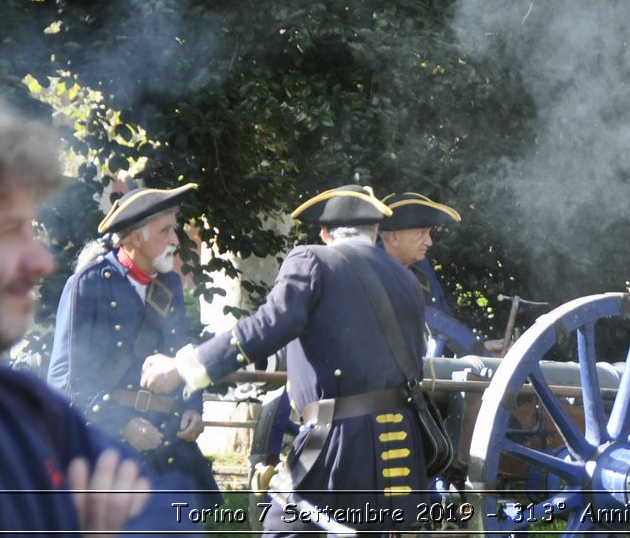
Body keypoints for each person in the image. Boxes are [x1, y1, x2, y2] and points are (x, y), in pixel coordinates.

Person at [142, 185, 429, 536]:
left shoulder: (313, 259)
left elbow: (270, 324)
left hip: (341, 441)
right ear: (374, 230)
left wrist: (184, 368)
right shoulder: (407, 279)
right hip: (402, 446)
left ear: (324, 232)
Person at [0, 93, 186, 537]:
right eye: (10, 230)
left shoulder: (0, 396)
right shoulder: (90, 283)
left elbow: (166, 520)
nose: (41, 260)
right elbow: (69, 380)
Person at [48, 183, 221, 509]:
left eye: (174, 229)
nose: (174, 240)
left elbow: (180, 351)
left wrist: (193, 407)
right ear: (134, 239)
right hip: (107, 437)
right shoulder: (88, 282)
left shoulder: (169, 283)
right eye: (165, 231)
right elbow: (64, 380)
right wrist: (122, 423)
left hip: (166, 437)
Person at [378, 190, 482, 357]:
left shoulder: (422, 267)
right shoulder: (370, 269)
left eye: (429, 233)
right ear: (394, 237)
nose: (429, 242)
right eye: (421, 234)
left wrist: (481, 348)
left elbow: (446, 328)